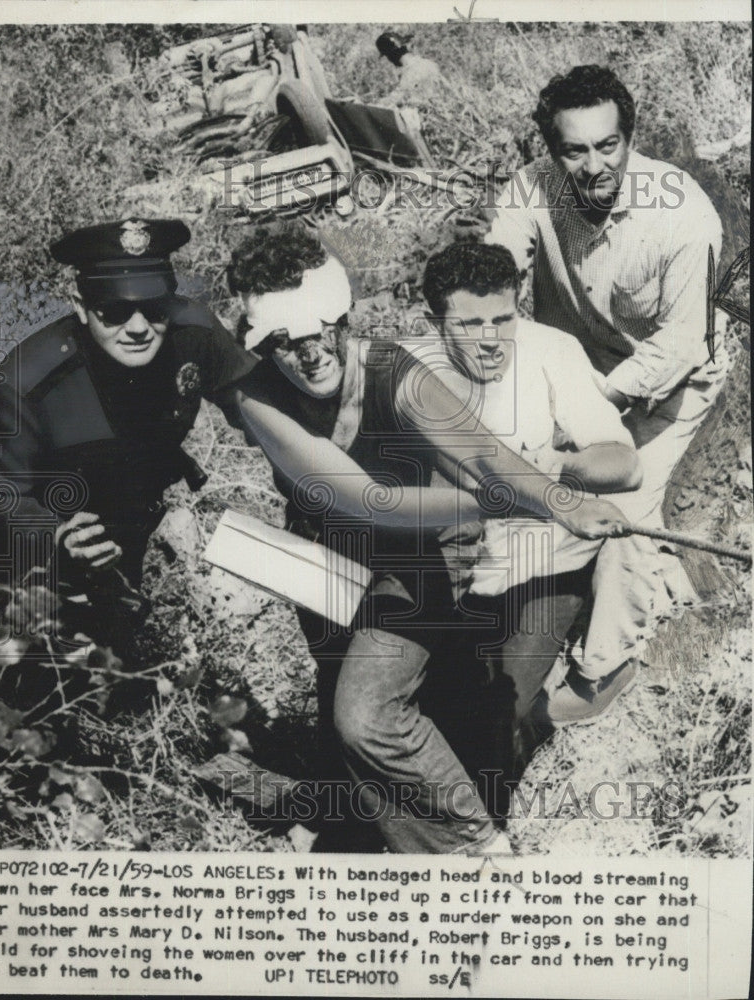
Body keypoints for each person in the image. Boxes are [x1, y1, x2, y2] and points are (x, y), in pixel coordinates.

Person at [229, 224, 630, 854]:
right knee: (343, 709)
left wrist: (556, 500)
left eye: (322, 331)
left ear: (345, 318)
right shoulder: (255, 397)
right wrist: (496, 501)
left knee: (365, 714)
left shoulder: (395, 370)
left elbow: (486, 455)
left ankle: (474, 848)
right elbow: (360, 498)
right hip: (322, 558)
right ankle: (383, 841)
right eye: (285, 342)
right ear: (261, 345)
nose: (310, 354)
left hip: (412, 561)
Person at [486, 64, 727, 721]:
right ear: (549, 147)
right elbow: (492, 281)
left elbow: (680, 345)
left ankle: (602, 671)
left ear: (629, 136)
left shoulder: (681, 216)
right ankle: (517, 620)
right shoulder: (529, 188)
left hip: (667, 379)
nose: (593, 165)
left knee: (627, 512)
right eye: (573, 149)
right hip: (579, 366)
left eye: (607, 145)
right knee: (516, 475)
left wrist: (588, 406)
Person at [0, 218, 256, 658]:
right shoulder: (31, 379)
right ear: (79, 304)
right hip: (18, 551)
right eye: (113, 311)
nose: (138, 327)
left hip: (114, 544)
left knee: (107, 687)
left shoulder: (195, 335)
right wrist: (57, 536)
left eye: (154, 308)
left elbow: (261, 410)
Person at [416, 239, 642, 796]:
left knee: (497, 720)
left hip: (547, 568)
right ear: (434, 322)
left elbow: (624, 464)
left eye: (503, 318)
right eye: (470, 325)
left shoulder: (550, 350)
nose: (491, 340)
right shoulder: (407, 371)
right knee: (432, 718)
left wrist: (552, 471)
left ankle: (538, 720)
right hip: (461, 580)